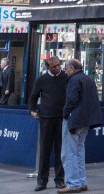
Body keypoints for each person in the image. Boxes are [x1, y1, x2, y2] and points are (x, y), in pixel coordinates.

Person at [59, 58, 103, 194]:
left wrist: (65, 114)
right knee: (79, 151)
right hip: (86, 120)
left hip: (75, 119)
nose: (65, 71)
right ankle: (81, 182)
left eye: (66, 68)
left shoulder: (74, 80)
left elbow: (71, 100)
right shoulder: (88, 79)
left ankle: (73, 183)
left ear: (72, 68)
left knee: (68, 153)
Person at [29, 57, 67, 191]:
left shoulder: (66, 77)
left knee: (60, 150)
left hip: (62, 118)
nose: (57, 68)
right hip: (46, 118)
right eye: (53, 67)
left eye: (58, 65)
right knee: (45, 150)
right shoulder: (42, 79)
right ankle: (42, 181)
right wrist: (32, 110)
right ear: (47, 68)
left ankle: (59, 180)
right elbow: (33, 96)